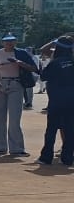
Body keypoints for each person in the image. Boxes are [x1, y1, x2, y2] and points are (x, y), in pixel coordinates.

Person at [0, 34, 35, 157]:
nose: (9, 43)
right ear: (2, 42)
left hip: (16, 83)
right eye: (7, 41)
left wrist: (19, 63)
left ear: (16, 42)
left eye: (12, 41)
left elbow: (34, 68)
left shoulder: (22, 53)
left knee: (15, 118)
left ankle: (17, 148)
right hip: (0, 83)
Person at [37, 35, 74, 166]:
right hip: (71, 100)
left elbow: (43, 76)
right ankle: (67, 158)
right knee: (70, 129)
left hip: (56, 100)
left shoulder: (55, 62)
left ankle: (46, 157)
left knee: (51, 130)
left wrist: (55, 40)